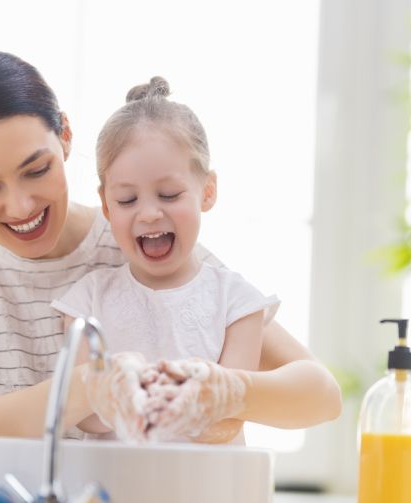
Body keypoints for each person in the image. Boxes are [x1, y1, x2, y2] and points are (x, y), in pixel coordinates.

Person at [0, 49, 341, 481]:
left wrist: (230, 392)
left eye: (37, 170)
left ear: (66, 137)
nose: (20, 206)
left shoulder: (140, 242)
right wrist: (88, 390)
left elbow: (319, 394)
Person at [51, 77, 280, 444]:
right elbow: (84, 416)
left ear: (207, 191)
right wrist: (117, 394)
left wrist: (188, 399)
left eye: (169, 194)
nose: (150, 214)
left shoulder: (238, 303)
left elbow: (229, 420)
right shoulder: (85, 302)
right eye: (127, 200)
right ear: (106, 204)